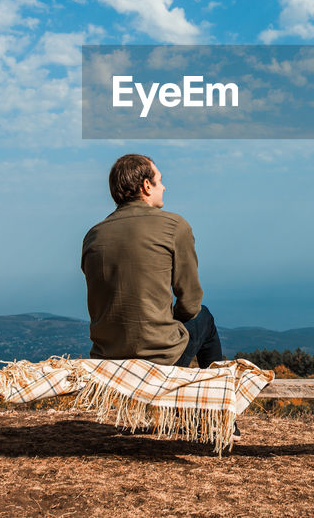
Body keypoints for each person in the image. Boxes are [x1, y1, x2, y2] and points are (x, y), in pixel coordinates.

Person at [81, 153, 225, 368]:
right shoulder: (174, 226)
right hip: (160, 357)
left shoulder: (93, 235)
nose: (164, 187)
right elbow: (190, 303)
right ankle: (216, 392)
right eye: (160, 180)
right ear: (147, 185)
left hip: (107, 359)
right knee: (204, 316)